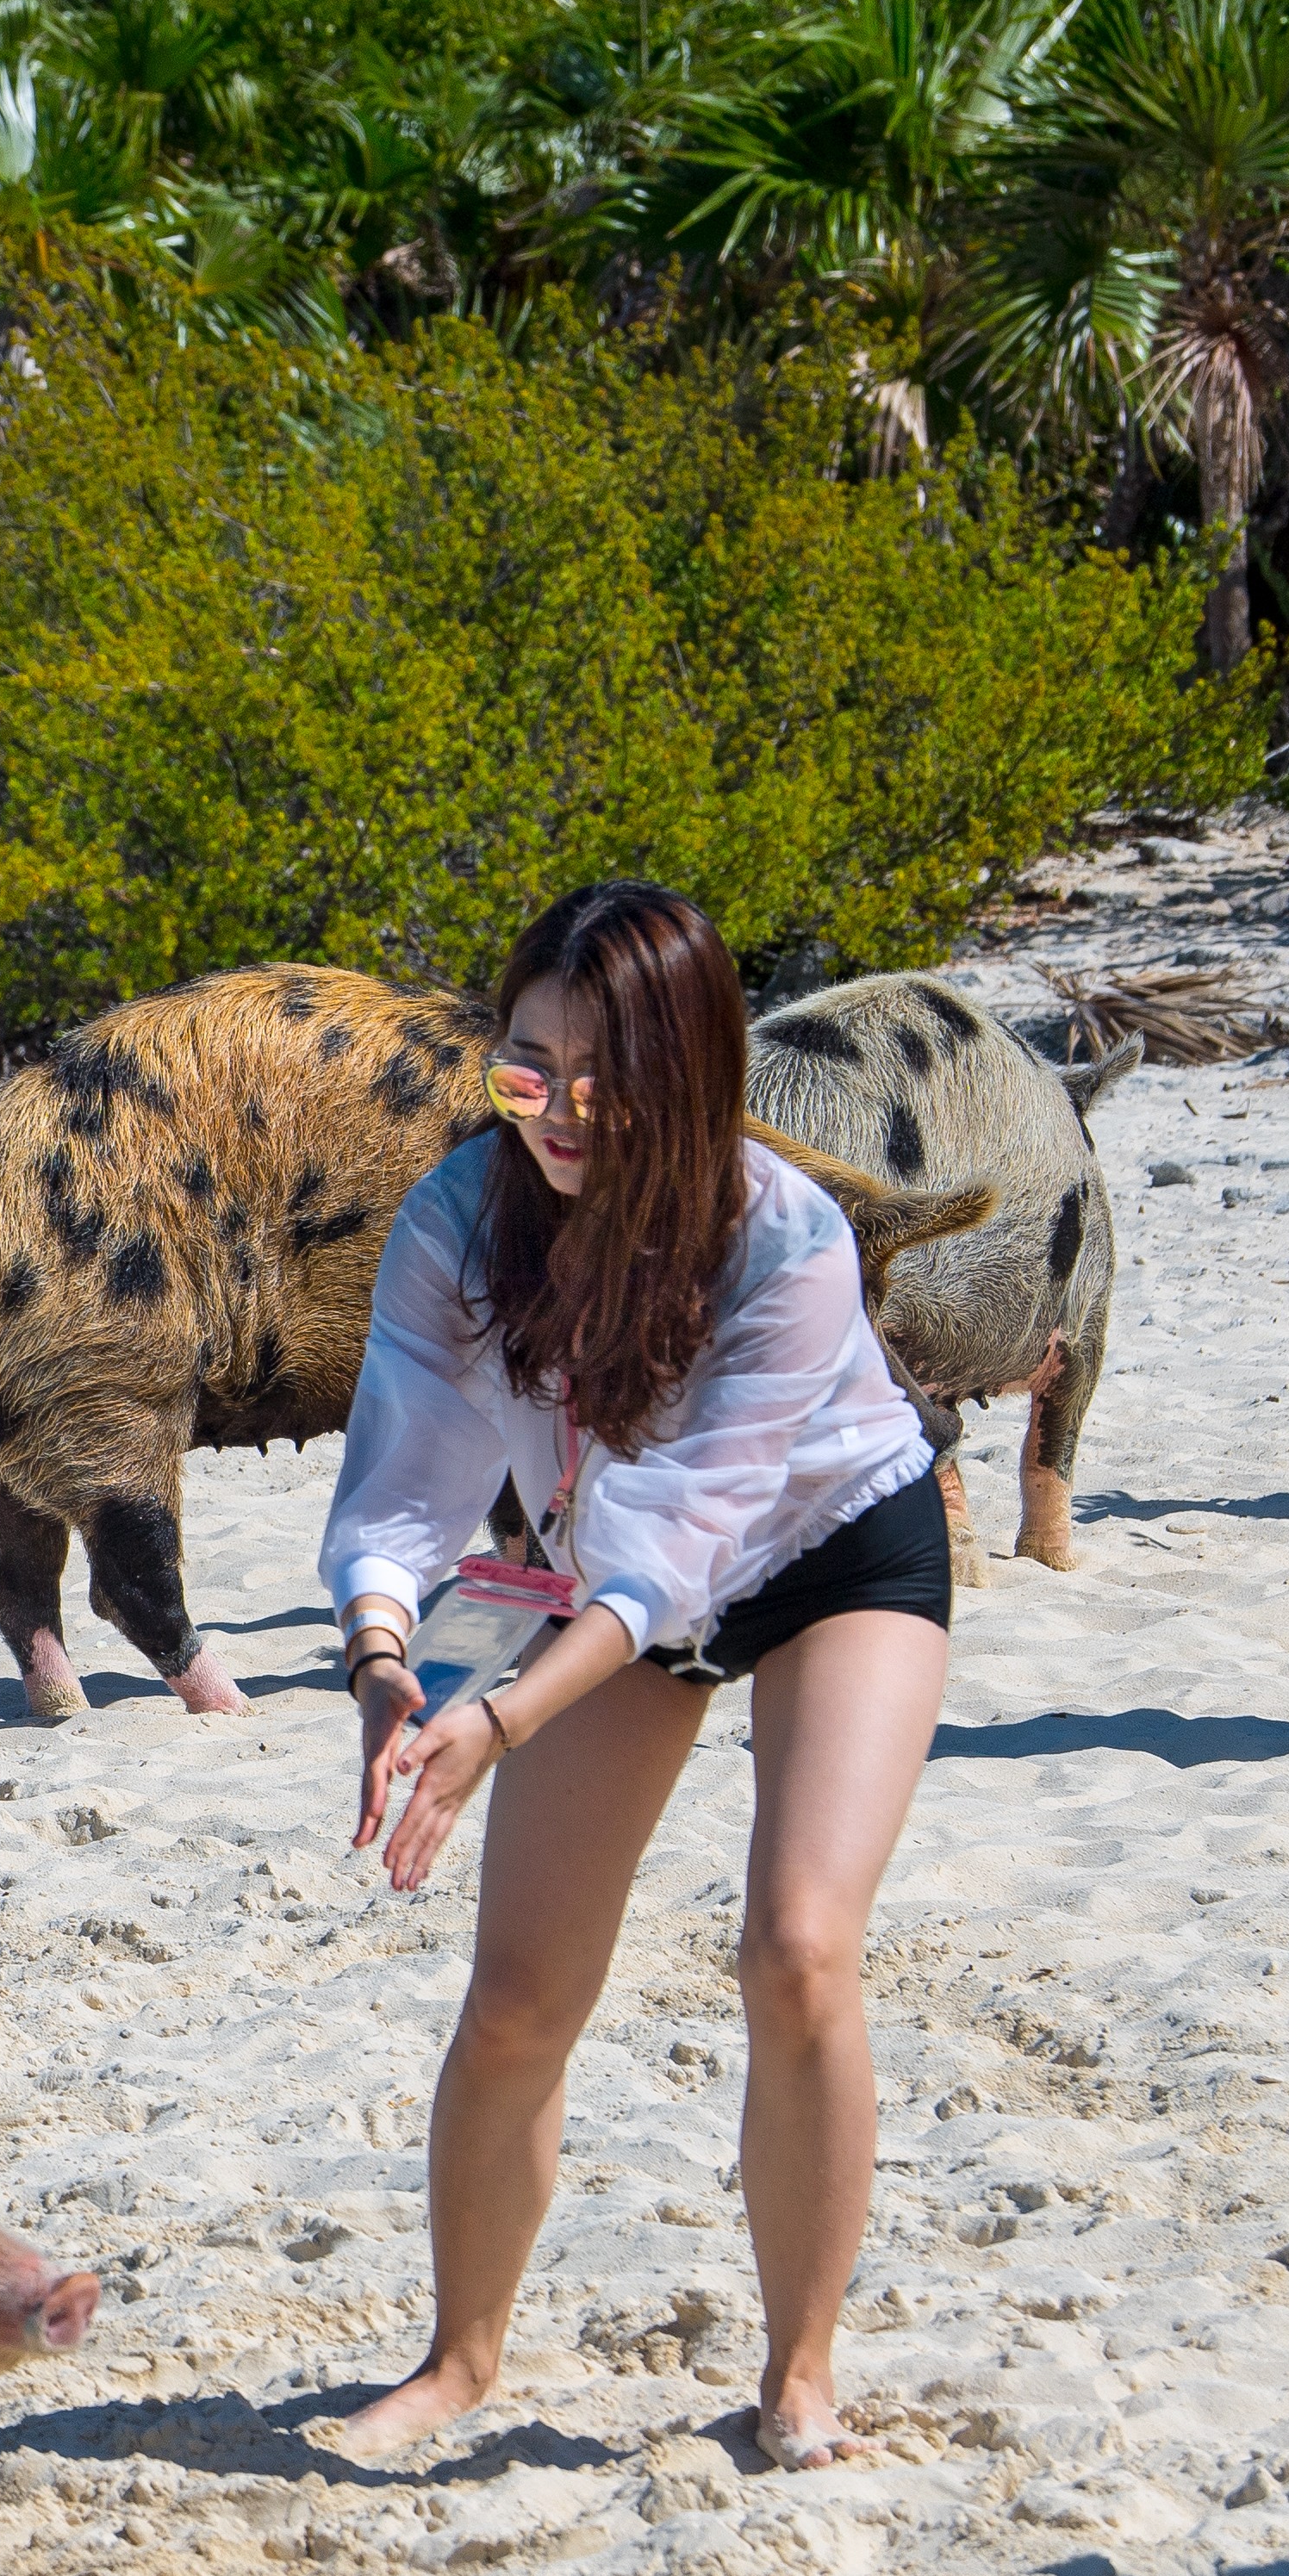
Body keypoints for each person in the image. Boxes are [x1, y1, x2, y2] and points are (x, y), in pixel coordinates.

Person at [321, 880, 951, 2470]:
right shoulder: (462, 1215)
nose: (559, 1109)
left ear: (692, 1073)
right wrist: (391, 1665)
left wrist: (504, 1716)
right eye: (526, 1066)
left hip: (825, 1552)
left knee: (796, 1948)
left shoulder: (786, 1234)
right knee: (525, 1991)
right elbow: (407, 1484)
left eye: (604, 1075)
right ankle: (458, 2361)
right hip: (601, 1574)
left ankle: (799, 2376)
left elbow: (681, 1544)